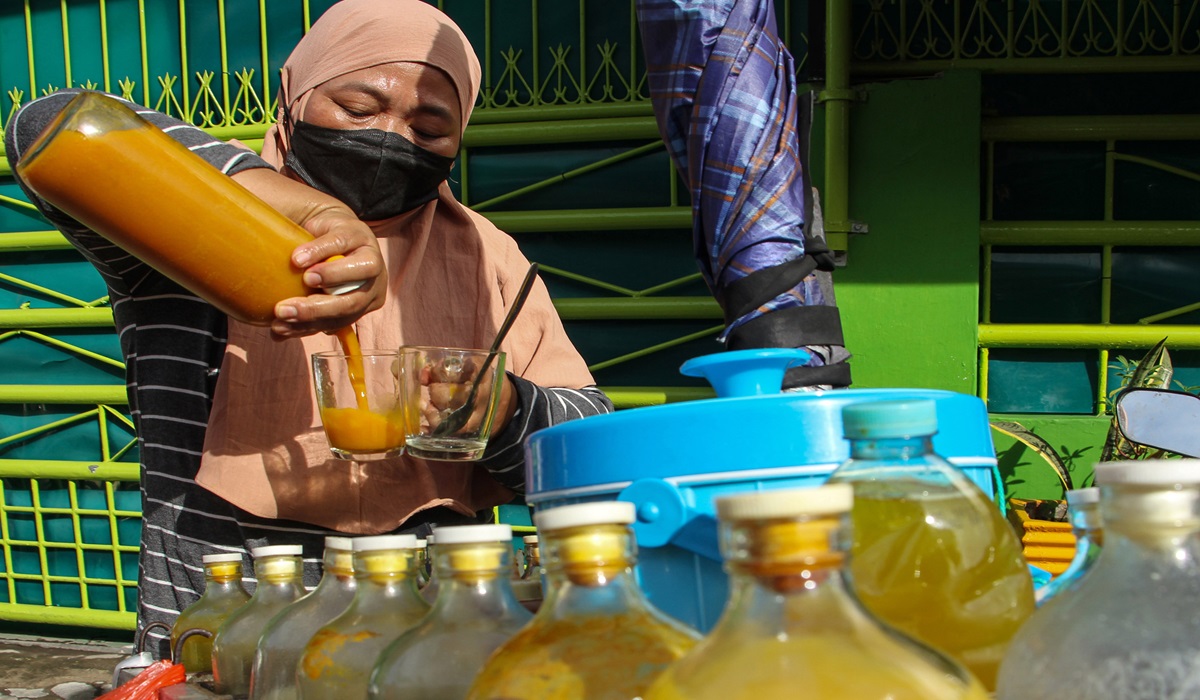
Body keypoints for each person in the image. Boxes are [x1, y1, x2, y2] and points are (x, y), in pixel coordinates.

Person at [4, 0, 612, 655]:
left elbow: (589, 443)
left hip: (423, 644)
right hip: (220, 634)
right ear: (293, 98)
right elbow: (45, 125)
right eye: (357, 108)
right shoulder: (188, 222)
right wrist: (315, 212)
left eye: (430, 127)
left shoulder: (487, 259)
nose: (389, 138)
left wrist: (504, 410)